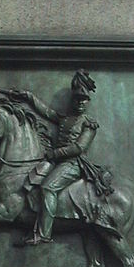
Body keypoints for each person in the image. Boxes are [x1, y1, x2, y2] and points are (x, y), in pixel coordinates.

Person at [11, 69, 113, 245]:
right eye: (77, 99)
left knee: (48, 188)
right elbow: (47, 112)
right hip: (57, 162)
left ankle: (44, 233)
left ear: (88, 101)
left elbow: (79, 147)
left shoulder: (89, 123)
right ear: (72, 100)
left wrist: (55, 153)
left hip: (73, 164)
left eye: (84, 99)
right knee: (30, 180)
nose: (80, 102)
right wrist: (28, 96)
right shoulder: (66, 119)